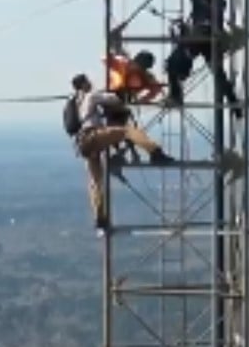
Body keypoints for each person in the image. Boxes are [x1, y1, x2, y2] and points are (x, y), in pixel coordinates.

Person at [67, 73, 175, 231]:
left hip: (82, 144)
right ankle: (155, 152)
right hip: (92, 136)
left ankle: (100, 217)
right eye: (88, 81)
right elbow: (114, 100)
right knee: (127, 131)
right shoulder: (90, 96)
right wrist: (117, 93)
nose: (90, 83)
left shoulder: (74, 102)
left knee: (95, 181)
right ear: (84, 84)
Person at [163, 0, 242, 118]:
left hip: (198, 38)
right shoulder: (219, 0)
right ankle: (234, 104)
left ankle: (176, 96)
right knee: (219, 74)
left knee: (172, 63)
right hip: (213, 40)